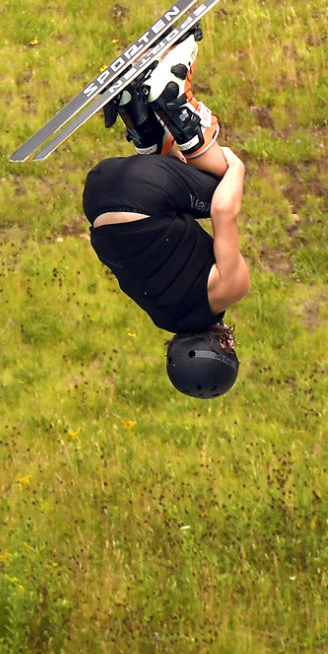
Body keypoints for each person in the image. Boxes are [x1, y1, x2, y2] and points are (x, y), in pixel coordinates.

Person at [82, 29, 249, 398]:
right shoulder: (160, 314)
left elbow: (223, 209)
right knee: (174, 191)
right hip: (98, 195)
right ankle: (135, 110)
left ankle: (175, 98)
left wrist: (236, 169)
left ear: (225, 346)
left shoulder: (228, 290)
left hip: (145, 195)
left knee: (221, 181)